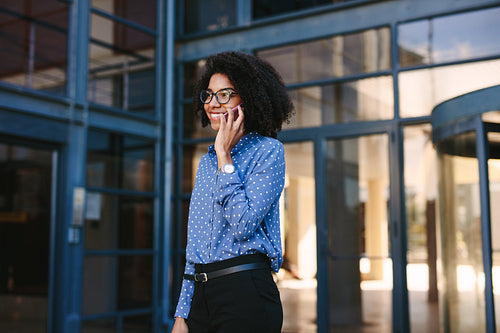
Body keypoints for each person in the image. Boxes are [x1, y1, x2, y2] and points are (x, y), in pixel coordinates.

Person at [171, 51, 294, 333]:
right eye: (209, 94)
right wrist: (181, 313)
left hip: (245, 292)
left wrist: (225, 156)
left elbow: (243, 224)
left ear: (248, 99)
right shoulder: (206, 162)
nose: (213, 103)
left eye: (225, 94)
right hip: (201, 297)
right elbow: (196, 243)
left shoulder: (268, 152)